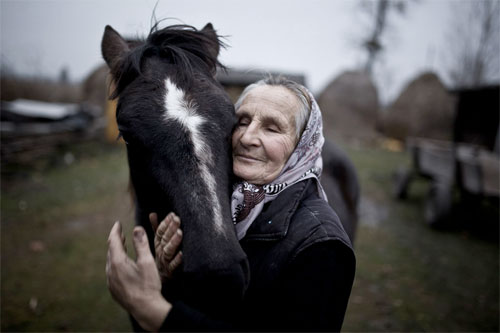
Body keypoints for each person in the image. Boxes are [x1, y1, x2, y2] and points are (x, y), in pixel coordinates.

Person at [106, 76, 356, 331]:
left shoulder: (322, 245)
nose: (247, 138)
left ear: (304, 146)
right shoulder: (216, 206)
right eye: (242, 121)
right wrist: (166, 282)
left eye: (272, 128)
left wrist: (155, 313)